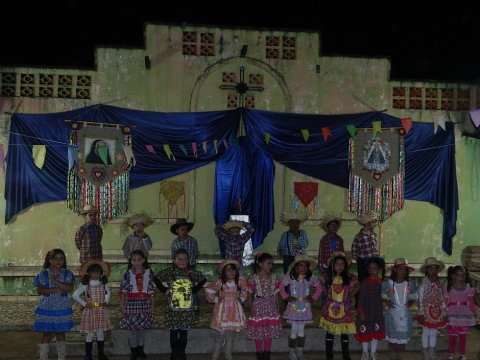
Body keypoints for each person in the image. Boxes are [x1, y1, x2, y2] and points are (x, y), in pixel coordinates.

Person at [153, 248, 206, 360]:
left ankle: (181, 352)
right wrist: (164, 289)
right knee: (174, 331)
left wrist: (194, 290)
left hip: (187, 309)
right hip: (173, 310)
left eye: (185, 259)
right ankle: (174, 352)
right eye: (180, 259)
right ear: (174, 260)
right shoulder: (169, 272)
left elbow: (203, 279)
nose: (183, 261)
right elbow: (156, 278)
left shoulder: (191, 272)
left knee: (183, 332)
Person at [34, 249, 75, 360]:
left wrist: (55, 283)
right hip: (46, 307)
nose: (58, 261)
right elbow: (41, 291)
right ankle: (43, 357)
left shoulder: (68, 273)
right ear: (50, 260)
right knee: (46, 333)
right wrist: (59, 288)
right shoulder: (42, 274)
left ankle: (61, 357)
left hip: (62, 307)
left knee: (61, 333)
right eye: (55, 258)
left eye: (61, 258)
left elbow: (69, 288)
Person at [279, 255, 323, 360]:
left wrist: (313, 298)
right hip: (293, 308)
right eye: (301, 266)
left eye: (305, 266)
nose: (303, 268)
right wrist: (286, 297)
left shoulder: (310, 278)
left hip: (305, 308)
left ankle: (300, 350)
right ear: (296, 267)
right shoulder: (290, 277)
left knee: (301, 330)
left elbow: (319, 287)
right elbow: (281, 287)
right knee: (294, 328)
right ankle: (292, 350)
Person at [319, 252, 359, 360]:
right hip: (330, 309)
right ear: (332, 264)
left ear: (346, 266)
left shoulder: (349, 278)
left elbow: (358, 284)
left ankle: (346, 355)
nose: (340, 266)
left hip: (344, 309)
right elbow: (320, 285)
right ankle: (329, 356)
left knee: (344, 332)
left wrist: (351, 295)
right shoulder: (327, 278)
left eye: (342, 264)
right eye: (337, 263)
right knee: (330, 332)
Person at [205, 259, 248, 360]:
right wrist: (216, 299)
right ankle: (215, 355)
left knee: (230, 335)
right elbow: (209, 290)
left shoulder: (239, 282)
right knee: (220, 335)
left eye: (233, 270)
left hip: (234, 311)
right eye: (228, 270)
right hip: (222, 311)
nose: (232, 272)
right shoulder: (220, 283)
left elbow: (245, 292)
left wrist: (240, 299)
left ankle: (228, 354)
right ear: (224, 272)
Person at [119, 249, 155, 360]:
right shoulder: (128, 274)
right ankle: (133, 351)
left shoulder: (148, 274)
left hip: (144, 304)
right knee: (133, 330)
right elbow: (124, 292)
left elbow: (151, 292)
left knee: (142, 330)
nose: (136, 262)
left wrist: (152, 306)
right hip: (131, 304)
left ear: (143, 260)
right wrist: (122, 306)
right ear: (131, 261)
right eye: (134, 260)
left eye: (139, 260)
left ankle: (141, 350)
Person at [72, 259, 112, 360]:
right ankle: (88, 355)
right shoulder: (85, 284)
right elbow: (75, 295)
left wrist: (106, 301)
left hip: (101, 311)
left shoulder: (103, 283)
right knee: (90, 333)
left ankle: (101, 355)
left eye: (98, 272)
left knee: (100, 333)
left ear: (101, 273)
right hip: (91, 311)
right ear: (88, 273)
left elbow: (108, 292)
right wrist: (84, 303)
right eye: (93, 272)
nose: (95, 274)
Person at [247, 253, 282, 360]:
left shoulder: (274, 277)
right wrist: (251, 308)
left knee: (269, 330)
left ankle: (267, 353)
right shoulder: (253, 278)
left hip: (271, 307)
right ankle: (259, 353)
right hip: (258, 306)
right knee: (259, 330)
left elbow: (276, 294)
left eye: (271, 264)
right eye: (268, 264)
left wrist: (278, 306)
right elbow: (249, 295)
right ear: (261, 264)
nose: (270, 266)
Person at [382, 258, 418, 360]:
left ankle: (400, 355)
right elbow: (382, 294)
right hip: (392, 315)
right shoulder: (388, 283)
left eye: (405, 269)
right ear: (395, 270)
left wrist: (410, 303)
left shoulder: (410, 283)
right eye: (400, 269)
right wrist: (386, 301)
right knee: (392, 340)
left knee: (403, 340)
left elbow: (414, 295)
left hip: (404, 315)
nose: (403, 271)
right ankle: (392, 356)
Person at [355, 256, 386, 360]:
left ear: (379, 270)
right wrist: (361, 312)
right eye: (370, 268)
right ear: (367, 269)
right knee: (365, 332)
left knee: (375, 332)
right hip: (366, 312)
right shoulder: (364, 283)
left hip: (377, 313)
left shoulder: (382, 283)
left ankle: (373, 353)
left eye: (375, 268)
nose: (372, 271)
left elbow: (384, 297)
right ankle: (365, 353)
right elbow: (361, 299)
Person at [416, 257, 447, 360]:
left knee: (433, 332)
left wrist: (444, 312)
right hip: (425, 311)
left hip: (437, 312)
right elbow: (420, 299)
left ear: (438, 270)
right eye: (430, 268)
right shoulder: (423, 283)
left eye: (435, 268)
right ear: (426, 270)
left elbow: (442, 299)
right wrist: (421, 313)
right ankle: (425, 351)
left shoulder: (440, 283)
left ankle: (431, 350)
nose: (432, 271)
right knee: (426, 331)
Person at [444, 265, 477, 360]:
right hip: (452, 315)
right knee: (452, 336)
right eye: (459, 275)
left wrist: (474, 312)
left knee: (463, 336)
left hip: (465, 315)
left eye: (463, 275)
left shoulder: (468, 288)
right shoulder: (448, 288)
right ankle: (451, 353)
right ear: (453, 276)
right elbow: (445, 303)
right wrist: (444, 314)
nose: (461, 278)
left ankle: (462, 354)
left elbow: (471, 302)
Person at [170, 218, 200, 313]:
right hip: (178, 269)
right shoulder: (174, 243)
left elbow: (196, 253)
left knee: (191, 287)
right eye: (182, 229)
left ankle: (195, 306)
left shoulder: (192, 241)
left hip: (190, 267)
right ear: (177, 231)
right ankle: (179, 306)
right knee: (179, 288)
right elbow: (173, 257)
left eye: (186, 229)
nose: (184, 231)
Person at [277, 209, 309, 274]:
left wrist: (297, 236)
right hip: (288, 259)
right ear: (289, 224)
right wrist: (281, 252)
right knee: (288, 276)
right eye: (292, 223)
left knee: (300, 276)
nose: (295, 225)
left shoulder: (303, 233)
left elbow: (305, 244)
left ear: (299, 224)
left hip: (300, 259)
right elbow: (280, 247)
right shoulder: (285, 235)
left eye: (297, 223)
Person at [351, 212, 379, 282]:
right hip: (363, 262)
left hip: (373, 261)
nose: (375, 223)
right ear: (368, 222)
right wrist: (359, 261)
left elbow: (374, 248)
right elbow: (354, 252)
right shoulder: (359, 237)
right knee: (363, 281)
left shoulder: (373, 235)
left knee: (372, 281)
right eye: (374, 221)